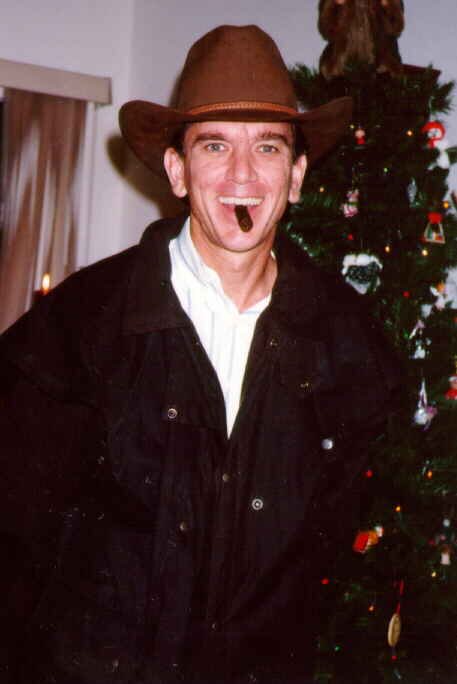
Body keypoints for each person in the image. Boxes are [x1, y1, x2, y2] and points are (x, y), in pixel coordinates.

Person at [0, 24, 400, 684]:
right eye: (215, 145)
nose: (242, 175)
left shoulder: (349, 343)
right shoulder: (79, 328)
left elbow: (334, 562)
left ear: (296, 176)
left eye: (267, 147)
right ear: (177, 171)